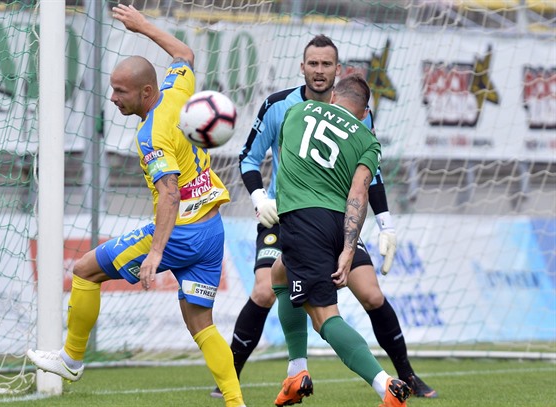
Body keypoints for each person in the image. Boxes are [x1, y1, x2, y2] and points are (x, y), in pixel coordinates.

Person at [26, 5, 246, 407]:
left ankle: (72, 359)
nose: (112, 98)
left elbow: (169, 192)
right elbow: (184, 55)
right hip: (212, 231)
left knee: (83, 270)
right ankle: (236, 402)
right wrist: (143, 26)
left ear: (146, 92)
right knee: (201, 324)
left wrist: (157, 251)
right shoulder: (178, 91)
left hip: (180, 232)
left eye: (120, 91)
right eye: (112, 89)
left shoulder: (151, 135)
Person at [210, 35, 436, 404]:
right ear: (302, 67)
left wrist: (386, 224)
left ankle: (393, 380)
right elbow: (249, 158)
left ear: (336, 71)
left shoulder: (313, 115)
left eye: (326, 64)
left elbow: (368, 181)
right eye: (312, 63)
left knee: (354, 302)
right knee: (270, 284)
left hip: (312, 218)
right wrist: (258, 197)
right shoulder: (282, 105)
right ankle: (249, 375)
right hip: (289, 215)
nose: (318, 70)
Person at [275, 73, 411, 407]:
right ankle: (296, 371)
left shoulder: (298, 111)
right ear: (364, 113)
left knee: (324, 317)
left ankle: (385, 386)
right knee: (278, 275)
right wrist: (349, 248)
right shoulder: (369, 140)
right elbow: (359, 192)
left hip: (302, 219)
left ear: (333, 96)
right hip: (338, 222)